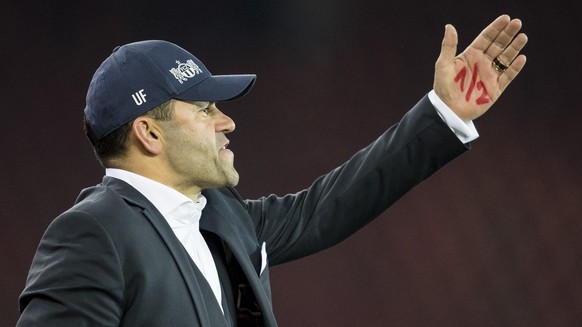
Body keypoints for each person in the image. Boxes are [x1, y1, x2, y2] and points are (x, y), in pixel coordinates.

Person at [17, 14, 527, 327]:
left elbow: (330, 205)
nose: (227, 121)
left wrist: (444, 112)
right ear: (149, 134)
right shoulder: (90, 234)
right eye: (205, 109)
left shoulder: (222, 217)